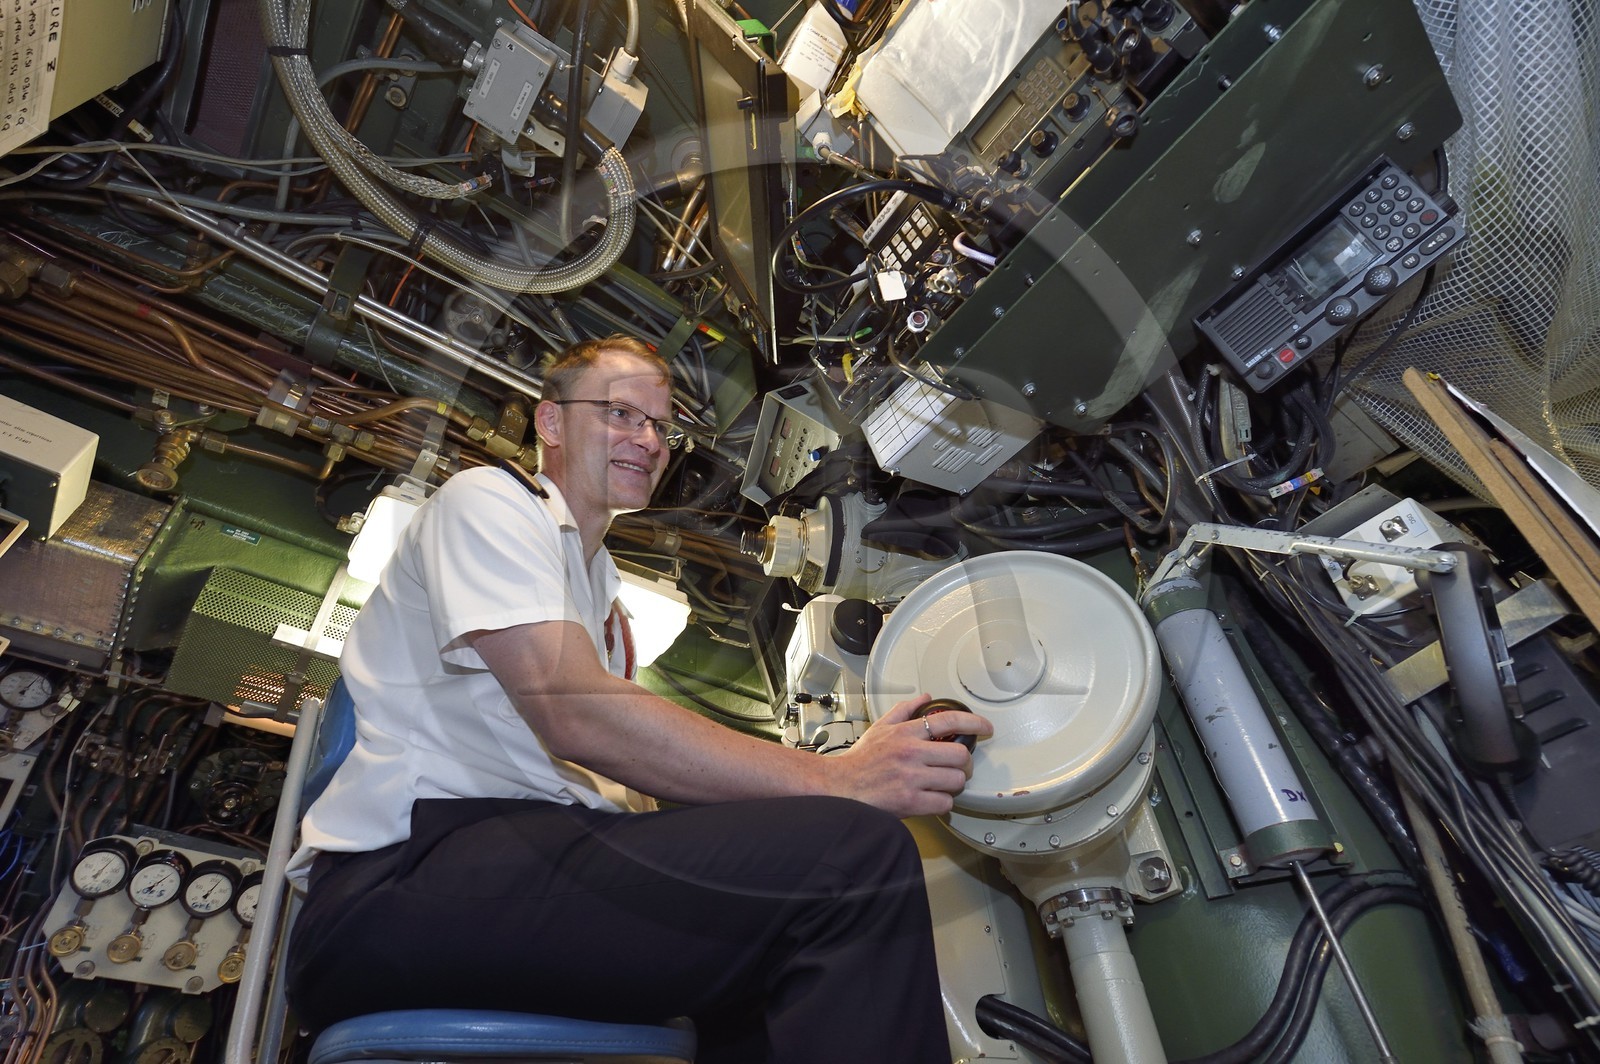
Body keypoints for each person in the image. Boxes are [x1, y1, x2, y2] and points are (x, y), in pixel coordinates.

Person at [285, 336, 992, 1064]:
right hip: (401, 885)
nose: (649, 441)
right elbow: (576, 713)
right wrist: (839, 779)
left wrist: (804, 790)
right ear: (551, 422)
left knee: (770, 968)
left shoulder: (604, 603)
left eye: (662, 427)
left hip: (518, 866)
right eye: (620, 412)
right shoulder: (489, 501)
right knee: (852, 857)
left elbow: (624, 775)